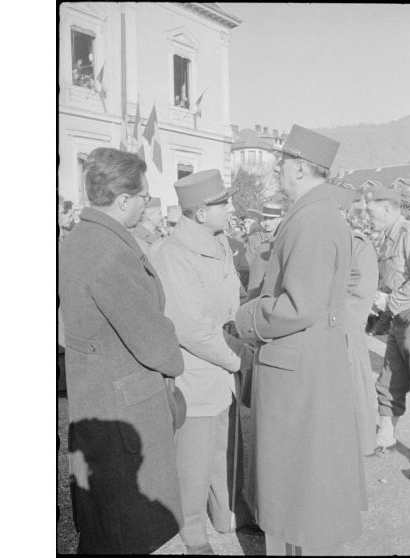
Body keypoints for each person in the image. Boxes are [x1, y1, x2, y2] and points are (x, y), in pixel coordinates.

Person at [235, 125, 366, 555]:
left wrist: (247, 316)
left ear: (296, 168)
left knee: (297, 488)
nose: (277, 172)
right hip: (311, 362)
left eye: (281, 165)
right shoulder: (320, 214)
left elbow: (300, 306)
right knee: (306, 484)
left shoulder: (311, 219)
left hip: (298, 368)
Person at [59, 147, 185, 553]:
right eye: (144, 196)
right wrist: (174, 360)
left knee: (106, 528)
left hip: (97, 397)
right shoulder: (111, 251)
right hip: (125, 409)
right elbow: (152, 340)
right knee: (131, 531)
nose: (147, 203)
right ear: (124, 200)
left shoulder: (81, 238)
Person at [153, 169, 254, 555]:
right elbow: (192, 329)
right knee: (193, 460)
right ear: (198, 213)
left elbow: (233, 300)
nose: (228, 208)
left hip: (222, 368)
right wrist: (236, 359)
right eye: (221, 203)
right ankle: (192, 528)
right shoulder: (173, 254)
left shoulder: (220, 243)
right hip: (198, 373)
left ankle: (227, 514)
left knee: (225, 449)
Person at [364, 182, 410, 484]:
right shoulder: (387, 238)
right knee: (388, 381)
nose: (368, 218)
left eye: (372, 213)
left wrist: (390, 301)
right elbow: (392, 279)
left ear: (388, 208)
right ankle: (386, 437)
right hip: (398, 319)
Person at [334, 185, 379, 456]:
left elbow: (360, 295)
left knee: (352, 391)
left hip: (345, 330)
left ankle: (355, 446)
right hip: (326, 327)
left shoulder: (358, 245)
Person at [245, 202, 285, 300]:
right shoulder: (255, 240)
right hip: (258, 293)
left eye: (271, 219)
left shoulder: (285, 238)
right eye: (265, 218)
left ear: (280, 219)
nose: (267, 222)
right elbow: (249, 268)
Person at [130, 196, 165, 260]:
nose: (162, 217)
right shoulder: (136, 237)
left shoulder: (161, 235)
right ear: (150, 217)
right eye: (159, 214)